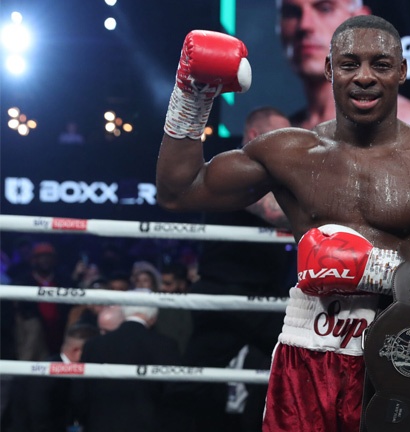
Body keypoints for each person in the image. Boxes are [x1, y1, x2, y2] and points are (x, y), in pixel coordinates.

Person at [156, 15, 410, 431]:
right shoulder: (288, 153)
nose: (364, 76)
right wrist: (192, 97)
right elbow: (179, 191)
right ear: (330, 69)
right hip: (308, 353)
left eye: (380, 64)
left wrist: (384, 273)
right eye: (349, 64)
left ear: (402, 71)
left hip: (408, 356)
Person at [175, 107, 294, 431]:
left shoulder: (272, 176)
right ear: (255, 136)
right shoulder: (234, 168)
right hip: (226, 291)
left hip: (261, 294)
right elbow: (278, 214)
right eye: (279, 136)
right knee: (196, 376)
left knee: (278, 368)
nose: (287, 144)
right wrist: (318, 206)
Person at [276, 0, 410, 141]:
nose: (305, 25)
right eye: (291, 12)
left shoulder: (406, 123)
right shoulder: (282, 130)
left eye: (325, 8)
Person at [71, 301, 185, 432]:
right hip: (148, 425)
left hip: (100, 425)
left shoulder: (94, 345)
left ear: (124, 314)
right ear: (153, 318)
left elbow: (80, 392)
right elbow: (174, 393)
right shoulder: (164, 345)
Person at [6, 323, 100, 432]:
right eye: (96, 350)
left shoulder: (70, 375)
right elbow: (40, 421)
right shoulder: (45, 377)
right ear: (77, 351)